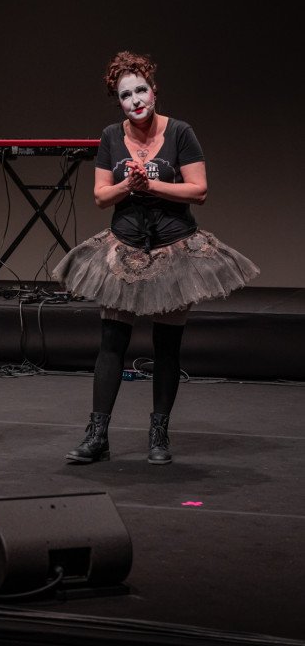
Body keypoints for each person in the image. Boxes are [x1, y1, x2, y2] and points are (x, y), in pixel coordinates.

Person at [53, 51, 259, 465]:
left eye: (140, 90)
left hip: (173, 249)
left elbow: (198, 189)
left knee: (167, 345)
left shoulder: (181, 132)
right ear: (119, 101)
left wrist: (152, 183)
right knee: (112, 342)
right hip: (124, 250)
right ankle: (97, 436)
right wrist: (130, 185)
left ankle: (158, 435)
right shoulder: (112, 136)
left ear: (154, 89)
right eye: (125, 94)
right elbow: (99, 196)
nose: (135, 100)